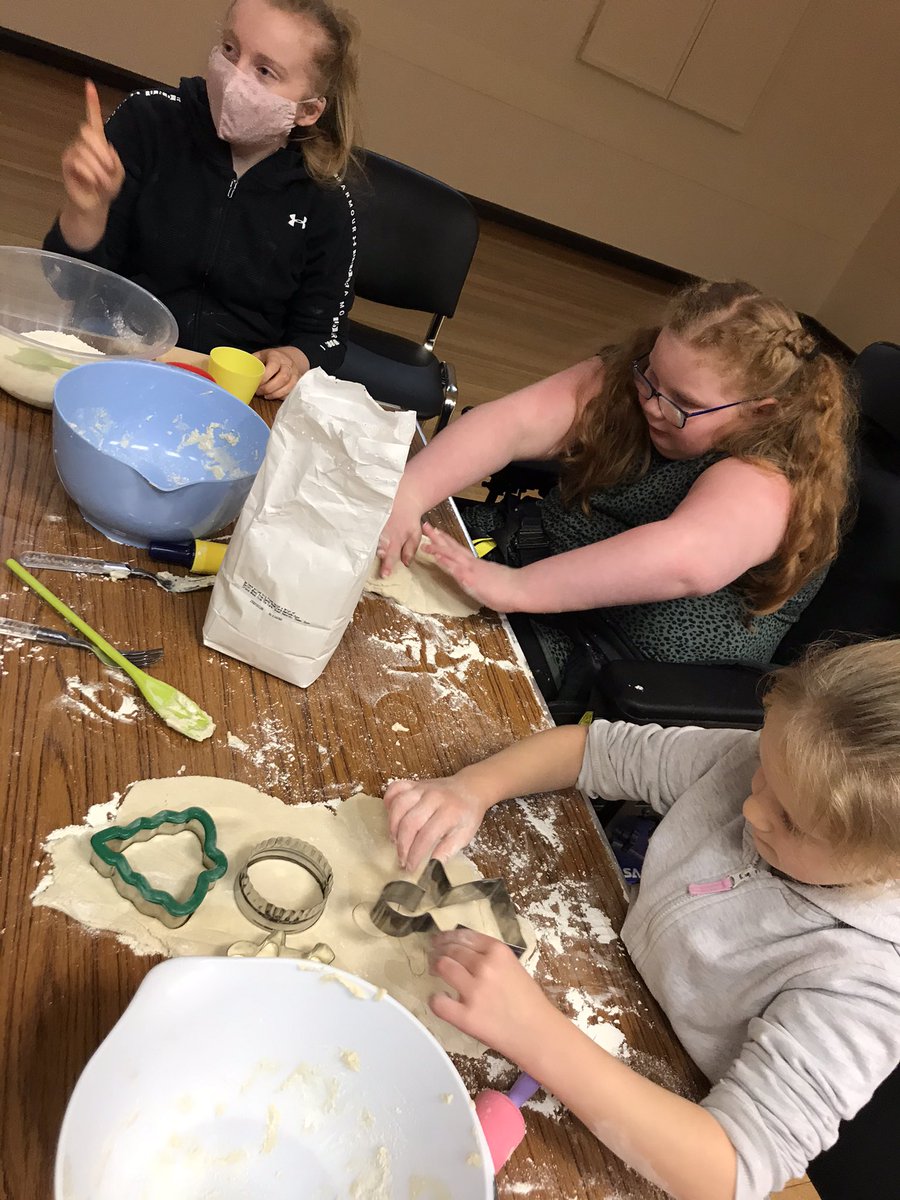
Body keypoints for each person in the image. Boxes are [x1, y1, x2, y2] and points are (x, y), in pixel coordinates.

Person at [383, 639, 900, 1200]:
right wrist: (473, 788)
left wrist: (532, 1031)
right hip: (614, 979)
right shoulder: (763, 767)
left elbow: (728, 1171)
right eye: (763, 766)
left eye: (792, 822)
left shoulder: (866, 982)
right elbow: (595, 750)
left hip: (666, 1115)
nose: (752, 807)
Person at [377, 280, 855, 692]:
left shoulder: (772, 477)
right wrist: (412, 494)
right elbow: (514, 423)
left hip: (609, 656)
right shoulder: (644, 380)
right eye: (651, 376)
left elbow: (687, 560)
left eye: (682, 403)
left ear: (761, 411)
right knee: (368, 550)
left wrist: (516, 587)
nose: (651, 403)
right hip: (528, 556)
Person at [43, 0, 360, 400]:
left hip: (231, 393)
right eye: (230, 49)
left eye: (264, 71)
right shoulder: (148, 123)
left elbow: (325, 336)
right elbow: (67, 284)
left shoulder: (326, 201)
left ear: (308, 111)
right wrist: (87, 211)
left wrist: (295, 359)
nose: (234, 78)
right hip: (118, 362)